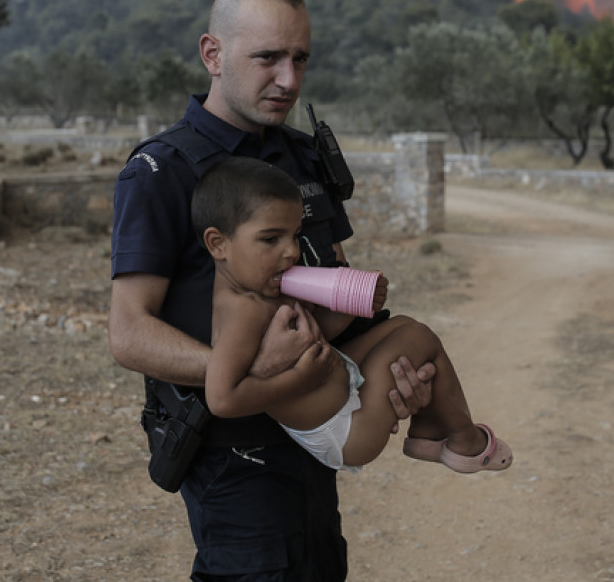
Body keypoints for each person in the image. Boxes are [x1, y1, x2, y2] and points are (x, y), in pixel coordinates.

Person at [110, 0, 441, 582]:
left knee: (319, 578)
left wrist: (385, 374)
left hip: (313, 434)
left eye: (300, 59)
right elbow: (128, 334)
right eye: (268, 58)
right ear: (213, 54)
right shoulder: (162, 172)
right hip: (235, 455)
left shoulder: (300, 155)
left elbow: (333, 288)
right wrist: (250, 371)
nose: (288, 80)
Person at [194, 156, 513, 473]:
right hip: (346, 429)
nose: (291, 251)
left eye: (295, 235)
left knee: (403, 326)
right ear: (218, 244)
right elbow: (223, 399)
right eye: (270, 239)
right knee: (419, 338)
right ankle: (464, 439)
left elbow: (317, 335)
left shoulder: (261, 286)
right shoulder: (242, 309)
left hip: (339, 384)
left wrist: (356, 303)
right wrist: (299, 378)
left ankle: (427, 428)